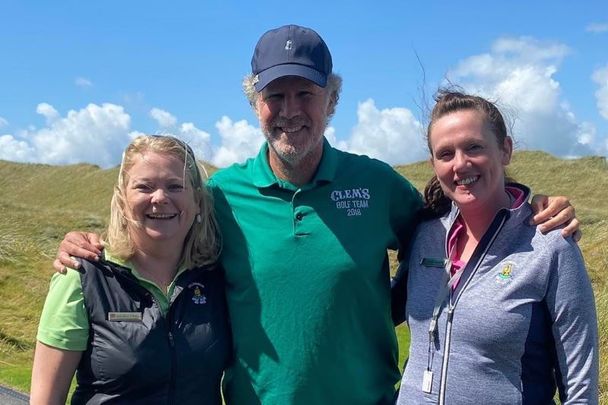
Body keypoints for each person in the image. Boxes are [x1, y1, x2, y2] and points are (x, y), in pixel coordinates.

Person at [53, 25, 580, 405]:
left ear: (331, 98)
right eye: (274, 94)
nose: (289, 109)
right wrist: (86, 245)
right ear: (253, 100)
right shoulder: (220, 194)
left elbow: (455, 211)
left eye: (305, 93)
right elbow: (157, 235)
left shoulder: (375, 183)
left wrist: (524, 203)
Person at [396, 91, 598, 404]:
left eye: (474, 147)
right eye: (446, 153)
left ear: (505, 150)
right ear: (433, 163)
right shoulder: (425, 234)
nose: (460, 164)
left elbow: (580, 387)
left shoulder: (550, 244)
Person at [31, 136, 231, 404]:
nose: (160, 198)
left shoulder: (216, 277)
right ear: (123, 199)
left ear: (197, 201)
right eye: (144, 187)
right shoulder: (82, 275)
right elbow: (46, 399)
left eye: (175, 186)